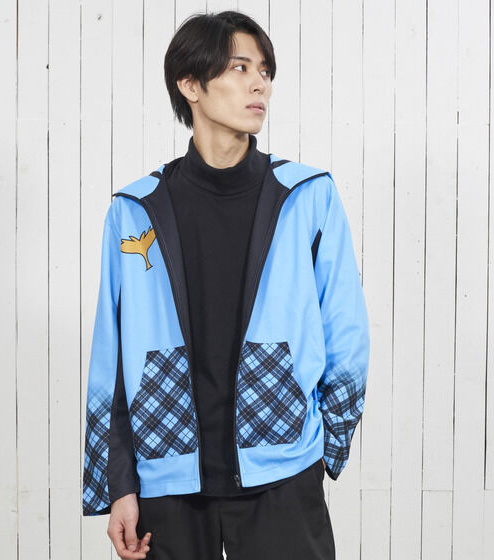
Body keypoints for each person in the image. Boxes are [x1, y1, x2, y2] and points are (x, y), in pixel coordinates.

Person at [82, 9, 370, 560]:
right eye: (240, 67)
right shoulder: (135, 209)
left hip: (282, 475)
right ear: (190, 84)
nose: (259, 83)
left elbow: (347, 334)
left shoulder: (307, 196)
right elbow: (111, 359)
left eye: (264, 70)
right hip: (167, 476)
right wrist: (120, 482)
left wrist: (319, 451)